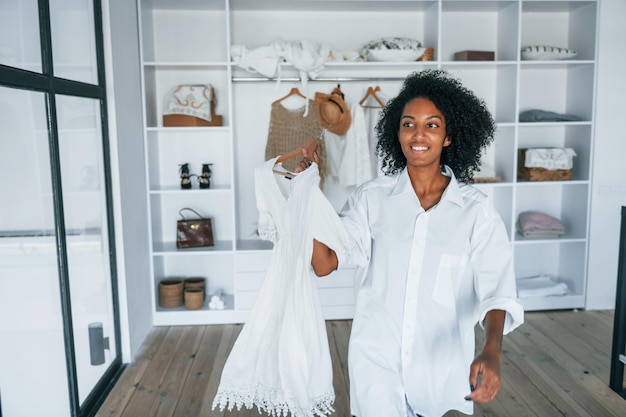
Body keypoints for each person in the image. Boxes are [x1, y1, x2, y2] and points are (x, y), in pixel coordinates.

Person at [297, 69, 524, 417]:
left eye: (432, 125)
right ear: (397, 132)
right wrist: (307, 194)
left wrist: (492, 350)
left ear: (449, 136)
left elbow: (498, 291)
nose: (419, 134)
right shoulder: (371, 200)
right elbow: (323, 263)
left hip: (442, 370)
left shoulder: (476, 212)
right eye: (408, 124)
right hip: (377, 364)